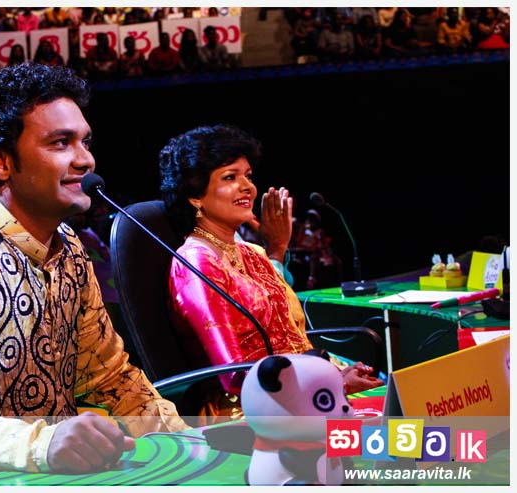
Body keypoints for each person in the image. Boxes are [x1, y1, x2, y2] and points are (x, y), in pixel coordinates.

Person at [0, 63, 187, 476]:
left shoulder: (69, 249)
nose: (85, 160)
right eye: (61, 143)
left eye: (85, 142)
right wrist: (41, 445)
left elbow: (110, 378)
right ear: (0, 161)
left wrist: (189, 444)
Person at [159, 125, 383, 423]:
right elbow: (235, 377)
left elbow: (293, 339)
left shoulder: (252, 252)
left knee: (398, 403)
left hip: (303, 390)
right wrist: (333, 384)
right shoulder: (196, 262)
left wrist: (335, 372)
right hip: (252, 409)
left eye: (248, 176)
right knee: (389, 431)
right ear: (195, 196)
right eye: (230, 177)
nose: (247, 187)